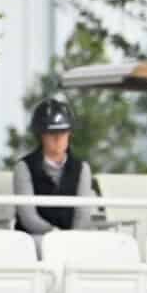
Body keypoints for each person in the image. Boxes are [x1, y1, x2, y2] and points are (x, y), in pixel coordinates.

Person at [13, 96, 94, 238]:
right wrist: (54, 236)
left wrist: (72, 239)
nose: (58, 139)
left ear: (69, 134)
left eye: (63, 133)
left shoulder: (82, 169)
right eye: (51, 133)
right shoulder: (24, 167)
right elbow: (28, 217)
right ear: (41, 135)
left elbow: (83, 214)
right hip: (35, 239)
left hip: (73, 240)